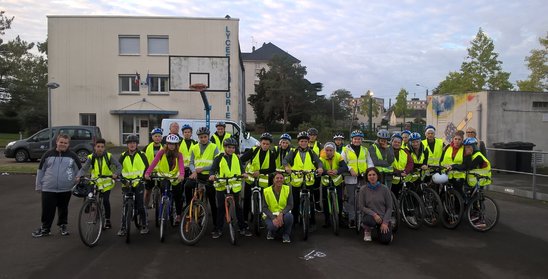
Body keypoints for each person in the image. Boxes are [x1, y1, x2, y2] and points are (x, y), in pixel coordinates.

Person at [33, 134, 82, 238]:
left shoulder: (72, 156)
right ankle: (45, 228)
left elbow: (79, 170)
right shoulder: (48, 154)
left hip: (66, 188)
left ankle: (63, 225)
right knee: (47, 209)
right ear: (57, 142)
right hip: (48, 188)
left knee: (63, 208)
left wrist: (78, 178)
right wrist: (38, 185)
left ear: (68, 144)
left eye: (65, 143)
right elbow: (41, 170)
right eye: (61, 142)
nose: (63, 144)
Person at [76, 138, 122, 230]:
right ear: (95, 147)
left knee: (105, 200)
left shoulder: (109, 156)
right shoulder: (91, 157)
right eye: (98, 147)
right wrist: (78, 175)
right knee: (89, 195)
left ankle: (108, 219)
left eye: (102, 147)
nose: (100, 148)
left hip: (106, 183)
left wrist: (116, 174)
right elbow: (84, 168)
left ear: (104, 148)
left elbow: (119, 166)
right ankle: (89, 205)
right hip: (95, 181)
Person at [209, 137, 249, 238]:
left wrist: (244, 173)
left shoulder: (236, 157)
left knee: (238, 207)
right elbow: (213, 169)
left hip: (234, 185)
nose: (231, 149)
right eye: (228, 147)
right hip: (221, 185)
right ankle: (219, 229)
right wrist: (212, 175)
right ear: (224, 147)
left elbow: (241, 168)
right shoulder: (219, 157)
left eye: (233, 148)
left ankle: (242, 227)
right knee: (221, 208)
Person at [283, 131, 324, 230]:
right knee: (295, 202)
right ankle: (294, 221)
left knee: (311, 201)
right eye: (301, 141)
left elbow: (318, 161)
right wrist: (287, 167)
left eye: (305, 141)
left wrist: (320, 168)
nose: (303, 143)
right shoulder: (293, 151)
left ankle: (312, 221)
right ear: (298, 142)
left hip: (309, 179)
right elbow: (285, 160)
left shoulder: (311, 152)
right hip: (297, 180)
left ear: (308, 142)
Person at [185, 126, 219, 233]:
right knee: (187, 186)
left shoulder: (214, 147)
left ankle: (216, 225)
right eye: (201, 137)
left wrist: (203, 168)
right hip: (197, 174)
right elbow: (191, 163)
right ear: (198, 137)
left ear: (208, 137)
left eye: (205, 137)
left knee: (212, 197)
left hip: (209, 175)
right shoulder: (194, 147)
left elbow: (216, 163)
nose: (203, 139)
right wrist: (194, 171)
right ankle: (189, 208)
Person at [145, 134, 185, 224]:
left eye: (173, 144)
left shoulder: (179, 154)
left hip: (175, 178)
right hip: (164, 177)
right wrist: (148, 172)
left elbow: (181, 166)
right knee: (164, 193)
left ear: (176, 145)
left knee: (177, 197)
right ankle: (163, 209)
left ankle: (178, 214)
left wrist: (181, 174)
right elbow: (154, 163)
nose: (171, 145)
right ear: (167, 144)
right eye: (170, 143)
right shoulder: (161, 152)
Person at [240, 132, 276, 230]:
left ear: (270, 145)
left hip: (264, 180)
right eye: (263, 143)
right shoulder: (253, 150)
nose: (265, 146)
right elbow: (241, 160)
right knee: (247, 199)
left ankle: (259, 219)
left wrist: (260, 172)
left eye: (267, 144)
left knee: (263, 201)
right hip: (250, 179)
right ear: (260, 143)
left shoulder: (272, 153)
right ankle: (245, 220)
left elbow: (273, 168)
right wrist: (244, 172)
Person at [118, 134, 150, 235]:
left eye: (134, 143)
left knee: (140, 205)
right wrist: (123, 180)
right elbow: (118, 170)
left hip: (138, 183)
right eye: (130, 143)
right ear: (127, 145)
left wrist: (146, 176)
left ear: (136, 144)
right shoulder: (123, 156)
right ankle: (123, 227)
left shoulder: (142, 155)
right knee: (125, 206)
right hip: (126, 184)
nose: (132, 145)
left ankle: (144, 225)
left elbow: (147, 169)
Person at [341, 130, 373, 229]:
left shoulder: (365, 150)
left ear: (361, 140)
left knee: (363, 199)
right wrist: (350, 169)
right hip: (351, 177)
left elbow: (370, 162)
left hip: (363, 177)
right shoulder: (346, 149)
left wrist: (369, 171)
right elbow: (342, 163)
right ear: (352, 139)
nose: (357, 140)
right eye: (355, 139)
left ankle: (362, 218)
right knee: (352, 199)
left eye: (359, 139)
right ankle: (352, 219)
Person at [357, 167, 393, 244]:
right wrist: (374, 214)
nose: (372, 177)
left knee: (385, 241)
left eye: (374, 174)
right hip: (370, 216)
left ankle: (383, 231)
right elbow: (361, 206)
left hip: (383, 217)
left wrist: (385, 222)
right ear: (367, 177)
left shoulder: (385, 189)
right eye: (369, 175)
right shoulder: (363, 189)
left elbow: (390, 207)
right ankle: (367, 231)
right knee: (368, 220)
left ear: (378, 176)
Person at [319, 142, 348, 228]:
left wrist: (337, 171)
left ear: (334, 151)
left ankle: (340, 220)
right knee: (325, 202)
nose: (329, 152)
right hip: (326, 182)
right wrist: (325, 172)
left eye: (331, 150)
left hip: (337, 182)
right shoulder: (321, 158)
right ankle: (327, 221)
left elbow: (345, 167)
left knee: (339, 200)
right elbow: (319, 168)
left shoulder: (338, 156)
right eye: (327, 150)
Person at [262, 172, 294, 243]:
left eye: (281, 178)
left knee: (289, 217)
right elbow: (264, 208)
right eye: (277, 178)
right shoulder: (266, 191)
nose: (279, 180)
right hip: (270, 215)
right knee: (272, 227)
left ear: (283, 180)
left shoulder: (287, 189)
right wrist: (273, 218)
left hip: (283, 214)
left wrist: (281, 213)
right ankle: (272, 231)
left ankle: (286, 234)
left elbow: (290, 205)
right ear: (273, 180)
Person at [441, 130, 466, 196]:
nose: (457, 141)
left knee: (458, 194)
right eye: (455, 139)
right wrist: (441, 166)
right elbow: (441, 160)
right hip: (446, 174)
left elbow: (465, 165)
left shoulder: (464, 149)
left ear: (462, 140)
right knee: (444, 194)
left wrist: (454, 166)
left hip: (458, 176)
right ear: (453, 139)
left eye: (459, 139)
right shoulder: (447, 147)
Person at [143, 128, 163, 209]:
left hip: (161, 173)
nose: (157, 138)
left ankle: (162, 208)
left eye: (159, 136)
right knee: (147, 192)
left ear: (161, 137)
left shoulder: (165, 148)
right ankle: (144, 207)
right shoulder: (147, 147)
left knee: (162, 191)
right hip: (149, 172)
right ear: (152, 137)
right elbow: (141, 158)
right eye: (155, 136)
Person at [390, 134, 413, 199]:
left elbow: (410, 162)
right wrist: (398, 172)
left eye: (399, 142)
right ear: (391, 142)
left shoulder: (404, 151)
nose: (397, 144)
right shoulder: (387, 151)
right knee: (392, 194)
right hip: (391, 177)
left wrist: (406, 171)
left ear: (401, 143)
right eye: (395, 142)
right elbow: (386, 164)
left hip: (403, 176)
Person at [179, 124, 197, 203]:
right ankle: (186, 204)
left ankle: (192, 204)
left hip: (192, 169)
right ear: (182, 133)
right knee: (182, 188)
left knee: (192, 188)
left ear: (191, 133)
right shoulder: (179, 143)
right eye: (185, 132)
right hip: (183, 169)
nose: (187, 133)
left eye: (189, 132)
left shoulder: (195, 143)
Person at [307, 128, 323, 213]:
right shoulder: (305, 144)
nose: (312, 137)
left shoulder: (319, 145)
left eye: (314, 135)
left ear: (316, 136)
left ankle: (317, 204)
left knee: (316, 188)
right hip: (307, 169)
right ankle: (308, 204)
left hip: (317, 169)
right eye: (310, 135)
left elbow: (322, 157)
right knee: (308, 188)